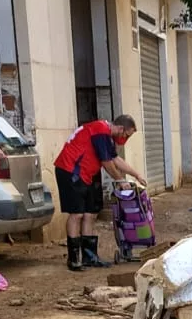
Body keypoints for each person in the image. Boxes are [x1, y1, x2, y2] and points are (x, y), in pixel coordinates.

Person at [54, 114, 145, 271]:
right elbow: (107, 163)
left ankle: (90, 256)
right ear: (121, 128)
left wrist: (136, 174)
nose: (125, 139)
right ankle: (74, 259)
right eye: (127, 135)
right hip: (70, 171)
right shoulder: (100, 131)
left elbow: (115, 159)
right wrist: (120, 181)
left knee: (91, 213)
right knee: (77, 214)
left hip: (86, 174)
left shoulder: (107, 135)